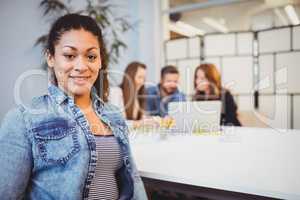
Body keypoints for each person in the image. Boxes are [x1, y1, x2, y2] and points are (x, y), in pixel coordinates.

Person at [0, 14, 147, 200]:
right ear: (51, 57)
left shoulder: (113, 114)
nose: (81, 66)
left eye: (91, 56)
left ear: (100, 60)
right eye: (69, 55)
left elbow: (133, 180)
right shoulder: (23, 119)